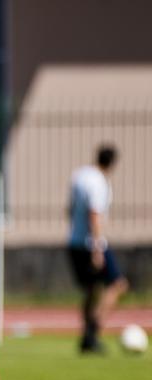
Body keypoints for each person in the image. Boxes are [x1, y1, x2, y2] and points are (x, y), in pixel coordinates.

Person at [68, 145, 127, 353]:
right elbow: (94, 214)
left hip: (74, 241)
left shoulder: (80, 176)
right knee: (117, 284)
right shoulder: (99, 182)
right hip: (91, 243)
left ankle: (87, 337)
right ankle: (93, 332)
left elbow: (69, 209)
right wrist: (97, 248)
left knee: (91, 290)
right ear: (111, 163)